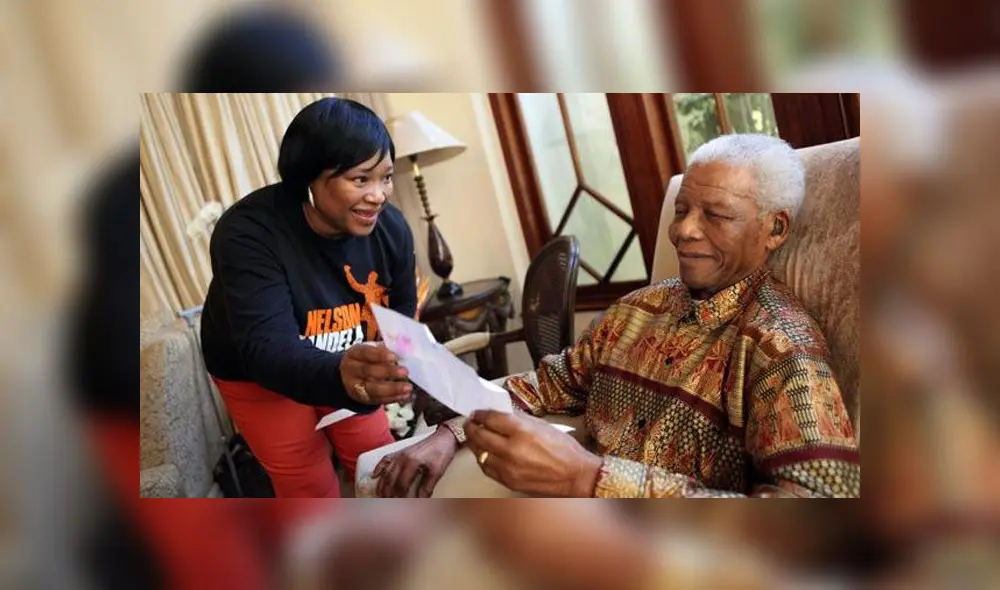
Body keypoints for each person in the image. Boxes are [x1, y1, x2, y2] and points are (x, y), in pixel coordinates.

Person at [374, 133, 860, 498]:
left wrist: (588, 478)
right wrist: (449, 432)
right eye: (682, 209)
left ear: (775, 229)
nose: (684, 231)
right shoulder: (635, 310)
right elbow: (548, 384)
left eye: (716, 215)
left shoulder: (781, 348)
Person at [200, 97, 417, 498]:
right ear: (308, 179)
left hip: (348, 358)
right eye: (360, 179)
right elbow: (268, 349)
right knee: (308, 484)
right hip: (258, 374)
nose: (379, 195)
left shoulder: (391, 229)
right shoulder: (247, 233)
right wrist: (341, 376)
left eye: (386, 177)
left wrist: (399, 357)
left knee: (379, 461)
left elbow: (402, 311)